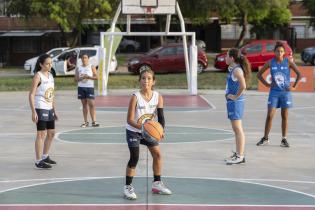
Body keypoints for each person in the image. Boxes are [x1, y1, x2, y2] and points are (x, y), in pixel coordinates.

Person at [123, 67, 172, 200]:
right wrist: (143, 128)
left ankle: (157, 184)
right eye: (143, 78)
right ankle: (128, 187)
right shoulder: (135, 97)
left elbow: (161, 118)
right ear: (140, 81)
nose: (146, 81)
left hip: (148, 131)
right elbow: (129, 119)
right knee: (135, 157)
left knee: (158, 154)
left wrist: (161, 130)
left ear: (153, 82)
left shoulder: (158, 97)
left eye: (149, 78)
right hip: (134, 131)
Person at [256, 41, 301, 147]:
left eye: (281, 51)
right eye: (277, 51)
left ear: (284, 52)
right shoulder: (270, 62)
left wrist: (294, 86)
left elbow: (299, 74)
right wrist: (266, 84)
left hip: (285, 93)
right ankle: (265, 138)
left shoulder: (288, 62)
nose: (279, 53)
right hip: (274, 93)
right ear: (274, 52)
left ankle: (284, 139)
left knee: (284, 116)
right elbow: (258, 74)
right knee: (270, 116)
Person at [29, 54, 58, 169]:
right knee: (41, 134)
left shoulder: (51, 75)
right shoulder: (38, 76)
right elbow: (31, 94)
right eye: (47, 63)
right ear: (41, 64)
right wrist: (33, 111)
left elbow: (52, 93)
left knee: (51, 133)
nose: (50, 65)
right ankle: (38, 160)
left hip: (49, 107)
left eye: (51, 63)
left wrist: (54, 110)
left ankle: (45, 156)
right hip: (40, 107)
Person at [224, 48, 251, 165]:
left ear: (232, 58)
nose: (225, 58)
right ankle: (238, 153)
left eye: (227, 56)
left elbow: (243, 85)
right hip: (233, 103)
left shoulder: (237, 71)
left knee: (238, 130)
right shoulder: (234, 69)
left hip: (236, 103)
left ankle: (240, 156)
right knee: (236, 130)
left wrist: (235, 97)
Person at [75, 54, 100, 128]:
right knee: (84, 105)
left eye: (85, 58)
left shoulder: (91, 66)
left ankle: (94, 121)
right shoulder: (78, 68)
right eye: (82, 58)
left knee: (91, 104)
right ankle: (85, 122)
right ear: (81, 59)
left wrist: (88, 77)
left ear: (88, 59)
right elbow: (75, 79)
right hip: (81, 88)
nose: (84, 59)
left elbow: (96, 77)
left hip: (89, 87)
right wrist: (81, 78)